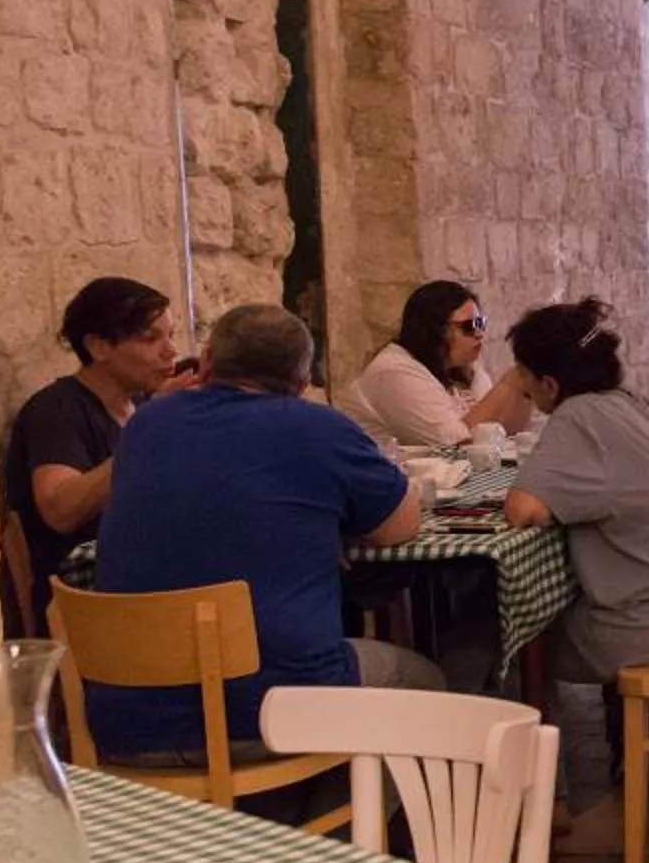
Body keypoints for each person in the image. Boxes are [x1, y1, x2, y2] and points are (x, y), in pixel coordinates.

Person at [88, 305, 443, 786]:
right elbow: (399, 525)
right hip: (265, 712)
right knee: (426, 684)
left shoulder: (146, 426)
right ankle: (346, 839)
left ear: (207, 362)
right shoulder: (318, 428)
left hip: (124, 719)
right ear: (301, 383)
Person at [501, 298, 649, 690]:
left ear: (549, 384)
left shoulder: (577, 415)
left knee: (509, 637)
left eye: (522, 374)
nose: (520, 384)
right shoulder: (633, 402)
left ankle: (525, 746)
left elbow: (522, 510)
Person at [0, 276, 195, 634]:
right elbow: (60, 509)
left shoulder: (141, 405)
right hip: (88, 599)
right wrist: (148, 429)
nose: (170, 351)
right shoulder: (57, 410)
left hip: (143, 580)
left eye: (171, 335)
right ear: (98, 346)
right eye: (150, 338)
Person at [345, 280, 535, 449]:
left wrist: (525, 385)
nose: (479, 334)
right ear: (434, 330)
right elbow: (457, 444)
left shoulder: (464, 366)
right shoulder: (393, 372)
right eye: (468, 326)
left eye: (480, 323)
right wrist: (508, 383)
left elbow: (501, 433)